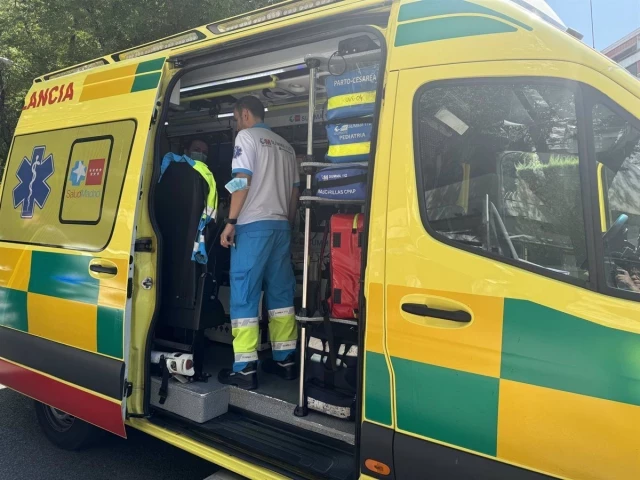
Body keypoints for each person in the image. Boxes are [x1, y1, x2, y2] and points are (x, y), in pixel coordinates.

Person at [218, 96, 300, 390]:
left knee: (245, 294)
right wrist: (287, 224)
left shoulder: (246, 137)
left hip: (252, 226)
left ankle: (245, 367)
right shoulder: (286, 147)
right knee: (280, 296)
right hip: (281, 226)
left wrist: (231, 221)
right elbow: (293, 194)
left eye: (236, 117)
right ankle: (286, 360)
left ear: (244, 114)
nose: (236, 123)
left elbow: (242, 180)